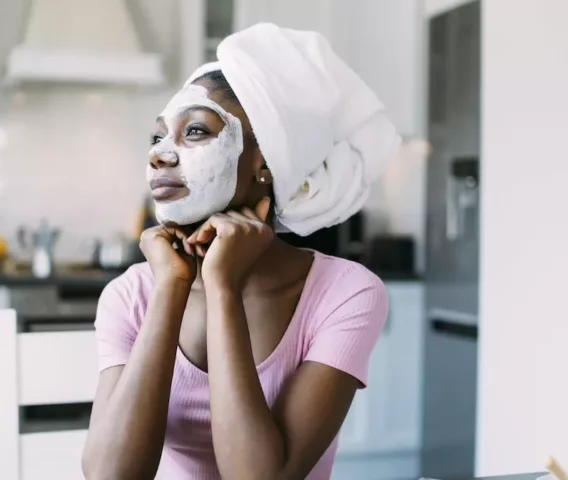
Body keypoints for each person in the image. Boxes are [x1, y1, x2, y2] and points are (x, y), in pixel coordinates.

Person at [82, 23, 401, 480]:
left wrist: (223, 288)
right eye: (157, 138)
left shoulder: (347, 292)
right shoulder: (131, 294)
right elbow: (112, 476)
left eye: (194, 131)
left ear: (266, 165)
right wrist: (171, 287)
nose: (159, 156)